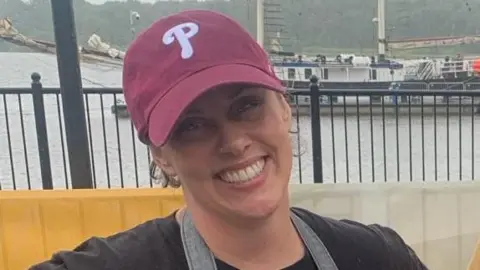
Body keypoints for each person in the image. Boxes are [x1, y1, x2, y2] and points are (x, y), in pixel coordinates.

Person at [30, 10, 427, 270]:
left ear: (284, 108)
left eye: (247, 106)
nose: (234, 142)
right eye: (192, 125)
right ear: (161, 156)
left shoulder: (376, 258)